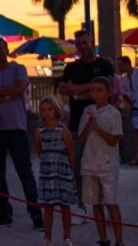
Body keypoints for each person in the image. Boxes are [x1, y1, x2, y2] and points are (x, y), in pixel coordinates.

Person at [0, 37, 43, 229]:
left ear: (6, 49)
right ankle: (5, 212)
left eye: (0, 48)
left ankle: (36, 214)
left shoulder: (18, 69)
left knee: (25, 173)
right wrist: (6, 95)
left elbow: (20, 86)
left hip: (17, 129)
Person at [56, 29, 115, 213]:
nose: (82, 46)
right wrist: (90, 88)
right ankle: (80, 205)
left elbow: (107, 89)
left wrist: (78, 90)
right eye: (78, 43)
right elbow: (64, 89)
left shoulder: (105, 65)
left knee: (103, 167)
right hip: (76, 123)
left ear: (91, 42)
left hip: (103, 123)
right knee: (78, 166)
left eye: (84, 42)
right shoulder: (72, 68)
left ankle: (107, 206)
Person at [80, 76, 124, 246]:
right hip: (89, 163)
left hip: (107, 165)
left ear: (108, 92)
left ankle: (119, 240)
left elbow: (113, 141)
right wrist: (88, 125)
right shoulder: (88, 111)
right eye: (93, 90)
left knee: (111, 202)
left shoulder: (114, 114)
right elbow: (82, 138)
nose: (95, 93)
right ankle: (103, 238)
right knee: (95, 203)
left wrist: (97, 128)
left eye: (99, 90)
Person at [34, 95, 76, 246]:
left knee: (65, 206)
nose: (46, 113)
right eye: (43, 110)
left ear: (56, 110)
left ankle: (67, 237)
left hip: (62, 173)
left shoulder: (63, 130)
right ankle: (47, 237)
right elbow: (39, 150)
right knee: (49, 207)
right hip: (47, 174)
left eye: (49, 109)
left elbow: (71, 151)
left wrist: (70, 171)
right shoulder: (39, 132)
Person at [117, 56, 138, 165]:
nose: (119, 68)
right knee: (137, 132)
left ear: (127, 64)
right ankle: (137, 155)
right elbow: (125, 94)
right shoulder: (124, 79)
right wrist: (130, 104)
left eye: (120, 65)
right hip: (135, 107)